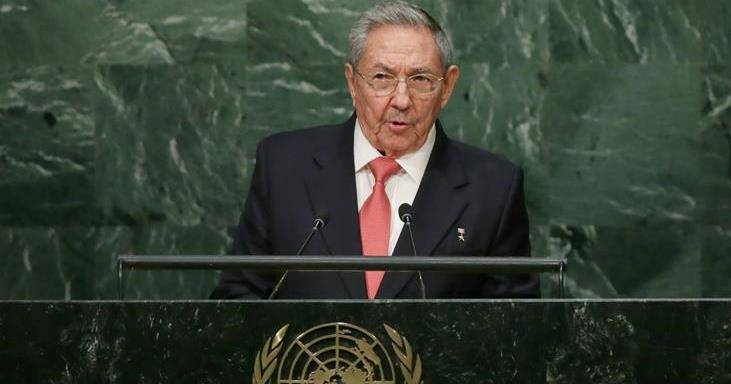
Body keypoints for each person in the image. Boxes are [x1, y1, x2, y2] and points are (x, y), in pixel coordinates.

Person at [211, 1, 538, 299]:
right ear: (353, 83)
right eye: (382, 77)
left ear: (447, 86)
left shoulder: (493, 189)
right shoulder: (283, 166)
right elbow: (239, 297)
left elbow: (514, 331)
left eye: (420, 79)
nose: (401, 99)